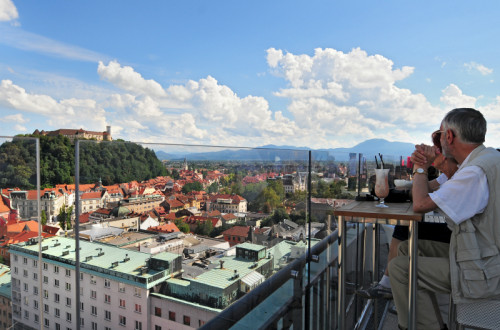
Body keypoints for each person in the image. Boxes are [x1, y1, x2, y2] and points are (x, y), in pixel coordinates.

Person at [388, 108, 500, 330]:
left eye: (440, 134)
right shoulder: (486, 159)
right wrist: (432, 165)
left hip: (486, 268)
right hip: (481, 253)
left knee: (400, 268)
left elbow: (420, 204)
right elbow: (434, 188)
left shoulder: (474, 172)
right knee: (407, 250)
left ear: (449, 136)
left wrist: (420, 167)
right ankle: (428, 322)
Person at [356, 155, 458, 300]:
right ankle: (395, 286)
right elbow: (429, 188)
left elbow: (421, 202)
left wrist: (421, 168)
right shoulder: (452, 174)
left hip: (460, 238)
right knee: (405, 233)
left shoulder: (462, 174)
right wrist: (409, 190)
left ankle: (390, 285)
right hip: (459, 232)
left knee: (405, 228)